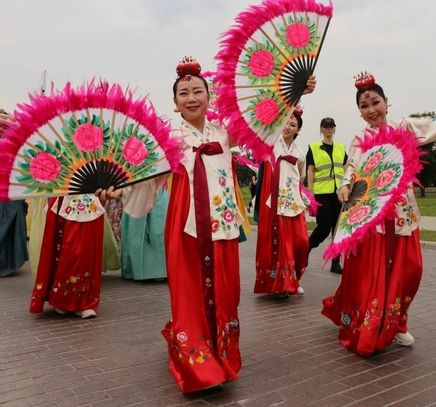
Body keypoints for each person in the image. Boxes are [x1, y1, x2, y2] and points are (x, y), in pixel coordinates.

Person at [101, 57, 316, 392]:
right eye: (183, 93)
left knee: (225, 291)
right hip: (186, 222)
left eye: (197, 91)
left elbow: (265, 123)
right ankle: (196, 364)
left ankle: (221, 351)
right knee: (189, 290)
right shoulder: (166, 135)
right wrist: (115, 187)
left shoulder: (224, 131)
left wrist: (294, 94)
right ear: (174, 103)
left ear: (208, 96)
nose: (191, 97)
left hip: (222, 222)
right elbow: (141, 174)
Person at [322, 72, 436, 356]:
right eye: (364, 107)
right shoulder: (359, 140)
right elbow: (351, 171)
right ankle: (373, 327)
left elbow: (432, 124)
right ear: (359, 111)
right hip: (373, 220)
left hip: (402, 214)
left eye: (375, 102)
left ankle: (397, 319)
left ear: (386, 102)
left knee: (410, 271)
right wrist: (344, 187)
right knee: (375, 275)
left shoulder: (403, 128)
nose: (371, 110)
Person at [254, 107, 309, 297]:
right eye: (285, 122)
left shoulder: (300, 153)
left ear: (298, 130)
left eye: (292, 124)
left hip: (293, 203)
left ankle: (296, 277)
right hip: (274, 203)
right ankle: (280, 283)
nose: (287, 126)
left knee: (301, 241)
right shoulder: (271, 145)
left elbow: (300, 179)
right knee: (280, 243)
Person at [29, 194, 107, 319]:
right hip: (64, 199)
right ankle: (61, 298)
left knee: (88, 253)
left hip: (91, 202)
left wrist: (106, 191)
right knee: (66, 252)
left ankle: (86, 302)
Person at [306, 117, 347, 273]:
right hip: (321, 193)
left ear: (334, 128)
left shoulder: (341, 148)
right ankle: (307, 248)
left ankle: (335, 263)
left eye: (331, 126)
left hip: (338, 194)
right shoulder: (314, 147)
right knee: (323, 228)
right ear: (321, 129)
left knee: (338, 229)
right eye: (325, 126)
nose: (328, 129)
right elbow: (310, 170)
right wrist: (310, 193)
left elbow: (345, 168)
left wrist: (347, 187)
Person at [120, 179, 168, 281]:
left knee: (157, 225)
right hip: (137, 183)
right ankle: (135, 268)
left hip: (157, 181)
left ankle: (159, 270)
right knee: (136, 225)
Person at [0, 109, 29, 277]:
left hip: (12, 188)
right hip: (8, 188)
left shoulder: (14, 142)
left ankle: (9, 262)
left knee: (12, 222)